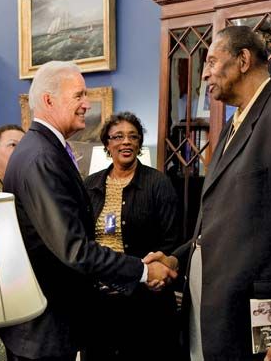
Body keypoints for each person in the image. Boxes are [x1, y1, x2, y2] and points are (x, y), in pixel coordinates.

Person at [144, 25, 271, 361]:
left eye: (211, 62)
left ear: (242, 59)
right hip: (216, 322)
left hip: (266, 329)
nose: (205, 74)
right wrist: (176, 258)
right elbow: (222, 223)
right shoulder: (231, 127)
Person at [0, 61, 177, 361]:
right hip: (45, 328)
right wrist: (145, 271)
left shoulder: (41, 149)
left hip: (54, 321)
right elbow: (75, 250)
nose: (86, 104)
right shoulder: (42, 157)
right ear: (48, 100)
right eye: (79, 95)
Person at [83, 111, 182, 361]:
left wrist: (159, 268)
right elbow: (81, 241)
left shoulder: (158, 184)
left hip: (144, 301)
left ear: (139, 144)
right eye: (118, 136)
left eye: (133, 136)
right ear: (107, 144)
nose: (125, 141)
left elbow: (172, 242)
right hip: (98, 302)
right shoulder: (89, 186)